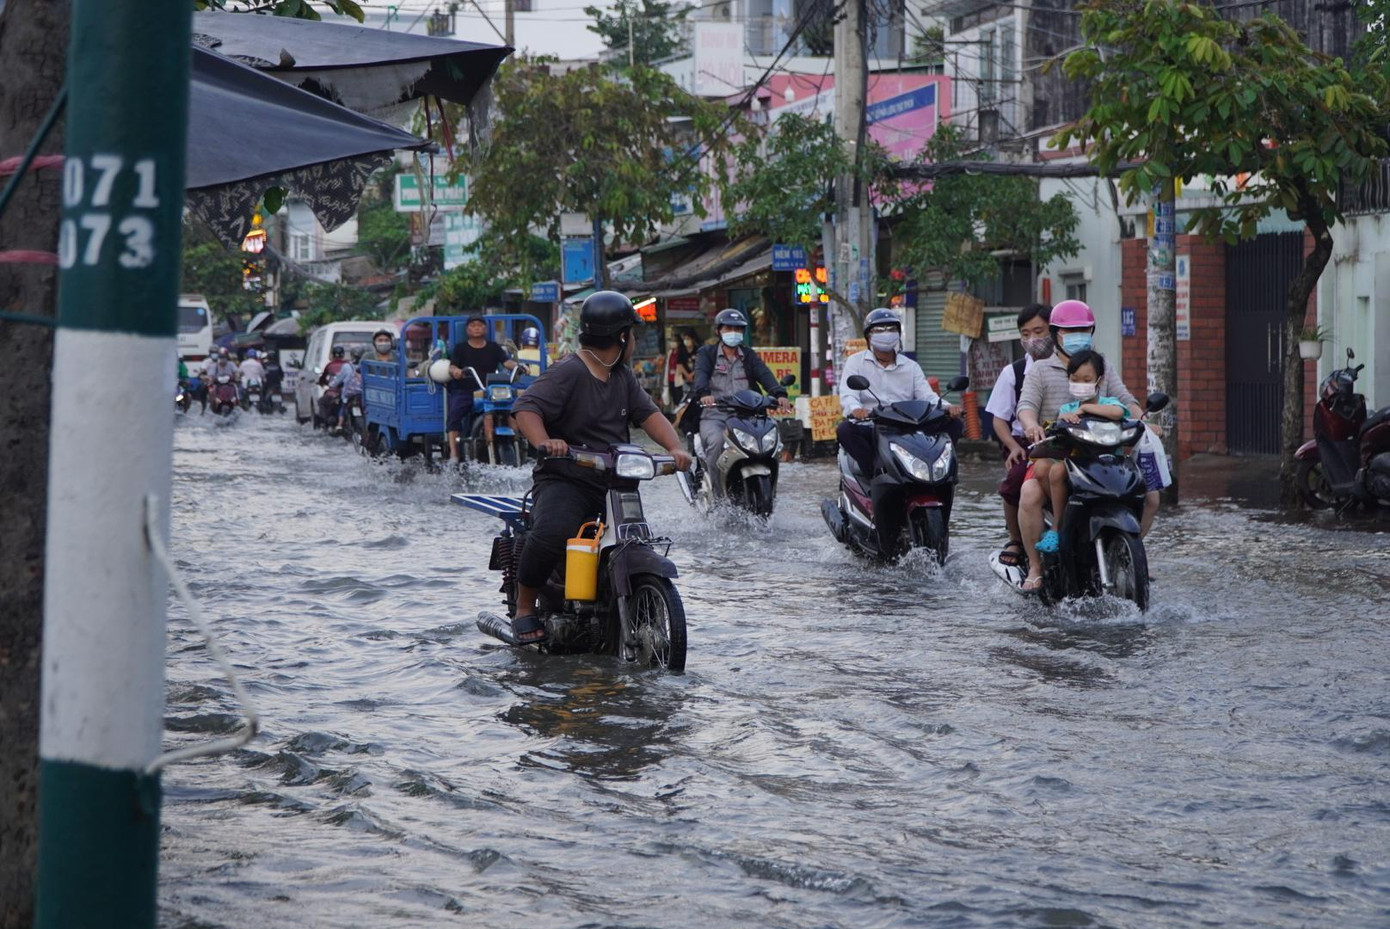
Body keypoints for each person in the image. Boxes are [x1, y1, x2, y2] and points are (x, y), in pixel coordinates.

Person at [510, 291, 693, 644]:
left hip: (615, 483)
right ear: (621, 336)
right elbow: (526, 408)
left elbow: (650, 414)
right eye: (633, 334)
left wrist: (675, 448)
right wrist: (546, 442)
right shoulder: (568, 370)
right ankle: (524, 606)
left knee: (634, 540)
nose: (635, 341)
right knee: (552, 531)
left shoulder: (621, 376)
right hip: (566, 479)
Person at [1015, 299, 1153, 592]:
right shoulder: (1040, 370)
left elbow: (1125, 401)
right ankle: (1036, 567)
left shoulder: (1102, 365)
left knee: (1150, 493)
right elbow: (1026, 406)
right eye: (1070, 329)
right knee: (1028, 492)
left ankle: (1127, 557)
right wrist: (1032, 426)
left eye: (1083, 329)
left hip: (1101, 453)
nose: (1078, 334)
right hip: (1055, 452)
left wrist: (1144, 420)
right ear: (1055, 333)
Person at [837, 307, 962, 477]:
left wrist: (947, 408)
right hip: (872, 425)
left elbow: (927, 396)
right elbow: (848, 394)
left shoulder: (911, 366)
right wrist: (856, 409)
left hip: (908, 426)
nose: (886, 333)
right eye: (879, 330)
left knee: (955, 424)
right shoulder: (856, 363)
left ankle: (943, 471)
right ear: (868, 336)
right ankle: (874, 473)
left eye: (891, 329)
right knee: (845, 430)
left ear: (898, 333)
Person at [1029, 349, 1128, 560]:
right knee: (1054, 470)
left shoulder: (1108, 403)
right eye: (1075, 379)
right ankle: (1057, 527)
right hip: (1077, 464)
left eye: (1087, 379)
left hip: (1108, 466)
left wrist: (1086, 410)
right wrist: (1064, 418)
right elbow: (1060, 424)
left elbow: (1118, 413)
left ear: (1099, 381)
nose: (1080, 384)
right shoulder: (1068, 407)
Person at [690, 308, 790, 496]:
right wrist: (704, 393)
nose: (734, 333)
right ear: (719, 330)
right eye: (729, 328)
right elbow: (700, 376)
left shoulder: (749, 355)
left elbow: (764, 374)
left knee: (768, 444)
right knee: (717, 442)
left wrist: (779, 394)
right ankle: (719, 498)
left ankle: (771, 492)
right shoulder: (707, 354)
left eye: (738, 329)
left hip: (746, 416)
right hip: (715, 415)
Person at [984, 304, 1053, 573]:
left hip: (1066, 439)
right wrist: (1012, 446)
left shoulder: (1073, 365)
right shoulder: (1013, 372)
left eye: (1039, 331)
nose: (1032, 339)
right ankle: (1016, 539)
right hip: (1025, 443)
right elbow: (999, 418)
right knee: (1015, 480)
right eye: (1026, 334)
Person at [447, 314, 521, 462]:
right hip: (467, 390)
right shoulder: (460, 348)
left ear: (485, 328)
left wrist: (519, 366)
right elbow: (453, 365)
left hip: (490, 391)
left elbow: (506, 362)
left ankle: (522, 444)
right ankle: (454, 454)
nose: (476, 328)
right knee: (454, 415)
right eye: (473, 325)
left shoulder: (493, 347)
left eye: (479, 325)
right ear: (467, 329)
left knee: (517, 410)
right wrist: (455, 371)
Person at [318, 345, 350, 424]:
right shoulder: (348, 365)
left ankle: (326, 421)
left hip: (334, 393)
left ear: (332, 355)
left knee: (321, 402)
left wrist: (323, 383)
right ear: (343, 354)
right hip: (348, 392)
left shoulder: (329, 365)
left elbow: (322, 379)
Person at [669, 328, 698, 407]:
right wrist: (687, 375)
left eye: (688, 339)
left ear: (693, 339)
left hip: (696, 378)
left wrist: (692, 374)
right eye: (685, 339)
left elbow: (700, 364)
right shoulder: (682, 350)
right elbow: (679, 364)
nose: (686, 341)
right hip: (684, 379)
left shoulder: (698, 350)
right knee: (685, 399)